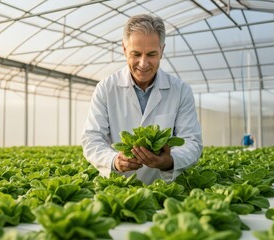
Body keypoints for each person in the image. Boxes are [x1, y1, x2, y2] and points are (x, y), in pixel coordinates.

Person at [80, 14, 203, 185]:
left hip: (166, 190)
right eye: (136, 54)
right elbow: (92, 138)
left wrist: (169, 161)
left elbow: (192, 141)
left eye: (151, 54)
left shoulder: (181, 91)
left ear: (162, 50)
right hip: (118, 188)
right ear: (124, 49)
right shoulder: (106, 88)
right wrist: (114, 160)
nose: (143, 63)